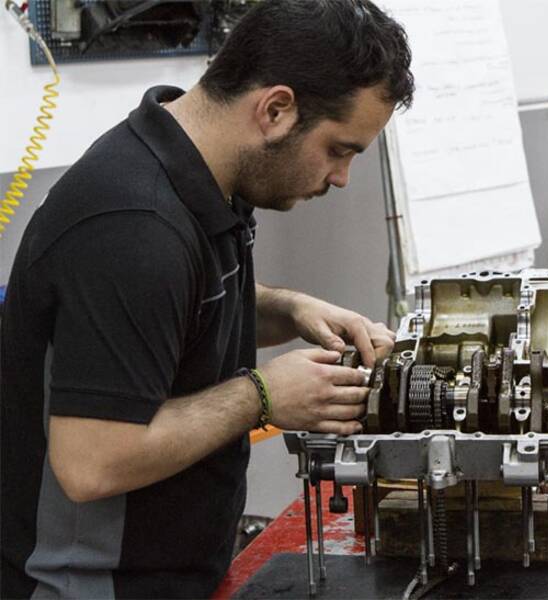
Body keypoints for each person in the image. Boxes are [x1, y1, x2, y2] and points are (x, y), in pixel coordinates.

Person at [0, 1, 414, 597]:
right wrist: (264, 395)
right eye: (339, 149)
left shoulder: (207, 178)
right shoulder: (132, 225)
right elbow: (92, 462)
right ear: (275, 110)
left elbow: (179, 312)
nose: (342, 177)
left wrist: (290, 309)